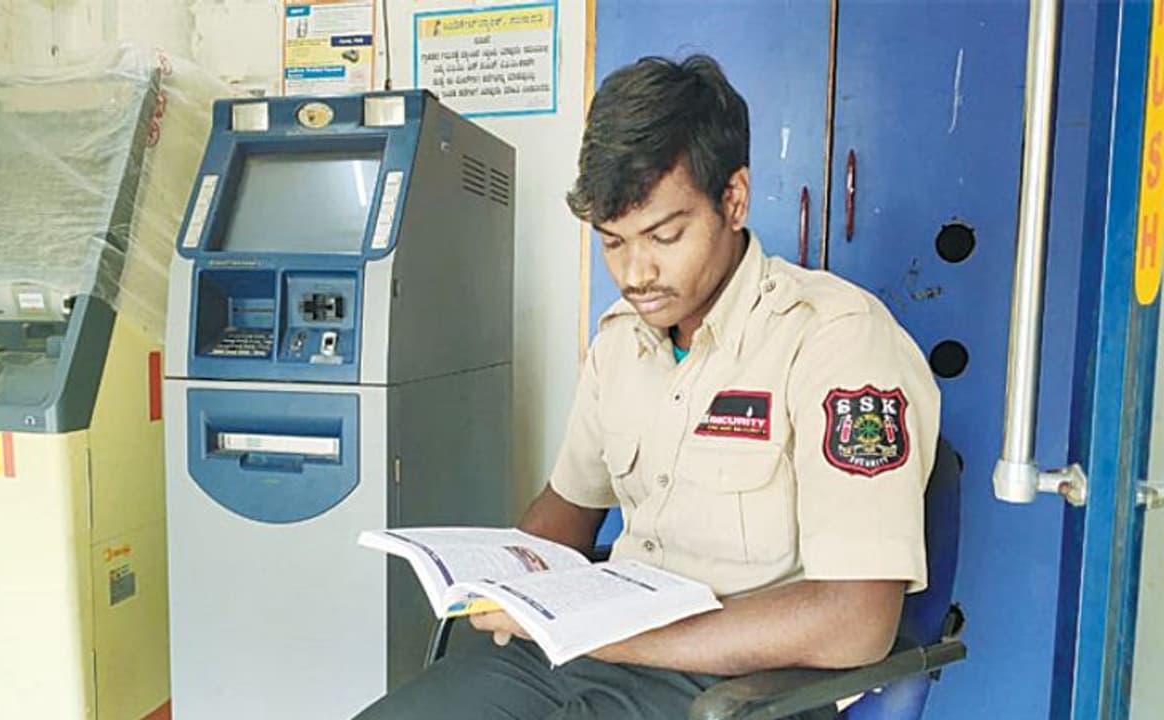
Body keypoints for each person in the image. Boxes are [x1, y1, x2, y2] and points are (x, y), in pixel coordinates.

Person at [354, 54, 939, 720]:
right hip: (593, 657)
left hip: (745, 687)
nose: (635, 273)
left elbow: (854, 621)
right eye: (612, 242)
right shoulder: (621, 342)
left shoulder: (834, 339)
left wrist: (627, 636)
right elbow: (566, 510)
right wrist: (505, 581)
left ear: (735, 199)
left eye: (665, 236)